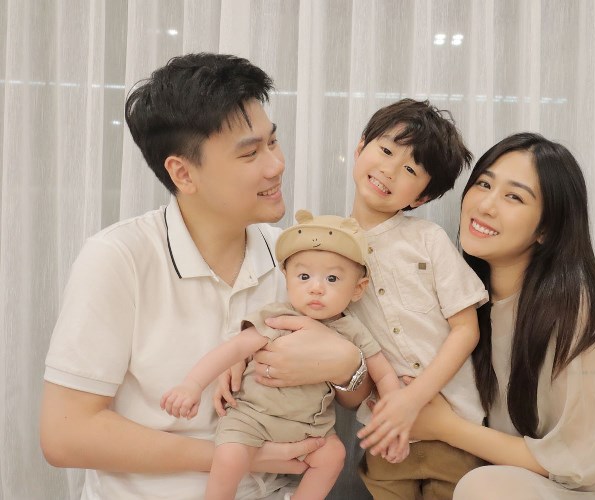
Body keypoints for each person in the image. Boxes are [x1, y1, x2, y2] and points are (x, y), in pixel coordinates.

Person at [40, 53, 366, 500]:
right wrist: (239, 455)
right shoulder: (119, 257)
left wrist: (348, 365)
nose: (275, 164)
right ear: (183, 173)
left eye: (273, 142)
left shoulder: (296, 260)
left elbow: (353, 395)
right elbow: (65, 436)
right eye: (250, 153)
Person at [405, 132, 595, 499]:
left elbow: (581, 461)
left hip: (588, 489)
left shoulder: (570, 306)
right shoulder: (461, 303)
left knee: (482, 488)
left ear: (545, 228)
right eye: (484, 184)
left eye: (514, 196)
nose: (486, 205)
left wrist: (445, 427)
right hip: (515, 480)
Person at [161, 210, 407, 500]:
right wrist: (192, 384)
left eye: (332, 278)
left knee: (333, 456)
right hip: (253, 418)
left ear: (358, 289)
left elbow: (383, 373)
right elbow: (234, 349)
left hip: (311, 426)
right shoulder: (278, 317)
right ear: (286, 278)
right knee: (229, 456)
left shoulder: (353, 331)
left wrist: (393, 422)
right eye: (304, 276)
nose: (316, 288)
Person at [342, 99, 489, 499]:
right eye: (386, 150)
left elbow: (466, 329)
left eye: (410, 170)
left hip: (455, 428)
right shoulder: (332, 248)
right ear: (360, 147)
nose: (390, 170)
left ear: (421, 198)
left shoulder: (428, 239)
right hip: (385, 433)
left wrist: (414, 398)